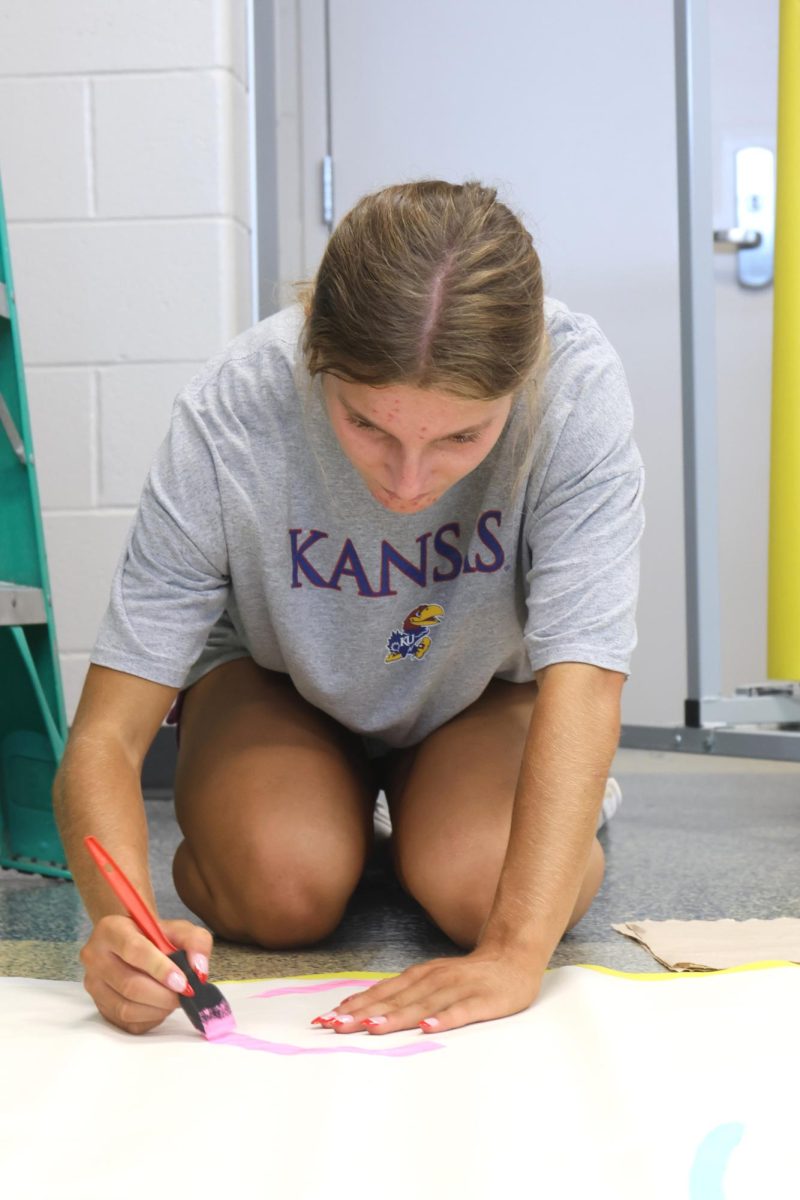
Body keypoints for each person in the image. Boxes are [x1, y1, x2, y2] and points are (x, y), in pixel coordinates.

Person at [54, 179, 644, 1038]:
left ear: (522, 385)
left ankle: (421, 824)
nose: (407, 484)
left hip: (478, 691)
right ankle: (349, 822)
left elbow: (585, 685)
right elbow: (105, 736)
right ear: (315, 358)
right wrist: (121, 926)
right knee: (280, 886)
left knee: (487, 890)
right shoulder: (233, 408)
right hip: (276, 683)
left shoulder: (578, 393)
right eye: (368, 426)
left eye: (460, 438)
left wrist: (515, 954)